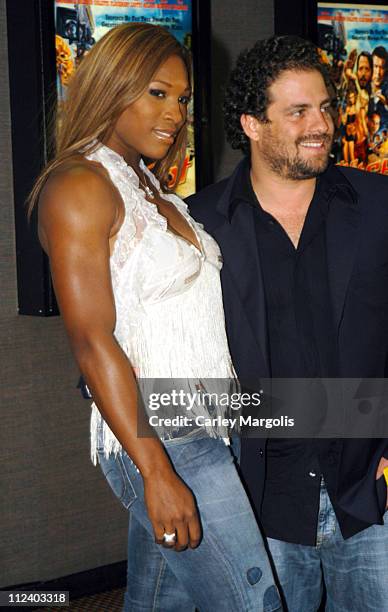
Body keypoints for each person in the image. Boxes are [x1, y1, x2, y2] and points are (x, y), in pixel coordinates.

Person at [28, 23, 281, 612]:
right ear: (112, 89)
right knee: (254, 603)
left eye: (183, 98)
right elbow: (92, 343)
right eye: (156, 93)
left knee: (160, 603)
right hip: (165, 437)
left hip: (206, 421)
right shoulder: (79, 185)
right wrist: (157, 471)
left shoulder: (151, 187)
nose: (174, 112)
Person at [188, 36, 388, 611]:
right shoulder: (199, 227)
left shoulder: (379, 207)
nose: (320, 123)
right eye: (297, 111)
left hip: (369, 493)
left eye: (324, 106)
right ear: (252, 123)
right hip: (260, 503)